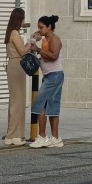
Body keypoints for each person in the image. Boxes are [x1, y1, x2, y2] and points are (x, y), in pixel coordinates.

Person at [28, 14, 65, 149]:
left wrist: (38, 49)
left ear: (49, 27)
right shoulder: (45, 39)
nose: (39, 30)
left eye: (41, 27)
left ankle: (42, 136)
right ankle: (56, 138)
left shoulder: (55, 39)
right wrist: (34, 39)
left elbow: (53, 56)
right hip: (50, 76)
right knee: (51, 107)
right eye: (38, 27)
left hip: (54, 75)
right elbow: (44, 56)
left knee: (40, 104)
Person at [3, 7, 28, 146]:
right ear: (19, 19)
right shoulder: (14, 33)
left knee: (15, 100)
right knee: (17, 101)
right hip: (17, 65)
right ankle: (14, 134)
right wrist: (31, 42)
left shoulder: (11, 32)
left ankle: (14, 133)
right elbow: (23, 51)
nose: (24, 21)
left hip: (14, 65)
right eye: (23, 18)